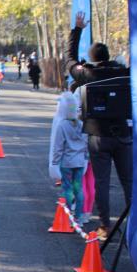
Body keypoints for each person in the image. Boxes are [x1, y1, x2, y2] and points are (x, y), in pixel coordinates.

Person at [64, 11, 132, 241]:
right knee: (128, 181)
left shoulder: (88, 73)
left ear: (91, 58)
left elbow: (69, 60)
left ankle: (105, 225)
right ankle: (134, 223)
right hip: (123, 133)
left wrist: (77, 30)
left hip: (97, 135)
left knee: (102, 182)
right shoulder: (124, 73)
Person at [51, 92, 89, 228]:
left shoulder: (62, 125)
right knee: (78, 189)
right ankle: (79, 218)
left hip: (66, 162)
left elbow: (58, 146)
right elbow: (86, 144)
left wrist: (55, 162)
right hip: (80, 162)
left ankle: (67, 217)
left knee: (67, 188)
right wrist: (85, 157)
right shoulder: (82, 124)